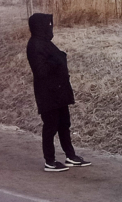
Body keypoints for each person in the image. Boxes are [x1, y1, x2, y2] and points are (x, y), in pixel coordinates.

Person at [25, 13, 90, 172]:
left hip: (58, 92)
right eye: (47, 25)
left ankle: (70, 156)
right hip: (47, 93)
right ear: (40, 27)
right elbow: (40, 71)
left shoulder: (45, 43)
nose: (50, 27)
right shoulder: (34, 45)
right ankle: (50, 161)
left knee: (64, 124)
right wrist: (57, 60)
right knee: (50, 126)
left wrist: (58, 59)